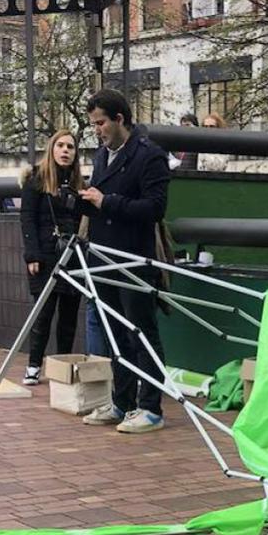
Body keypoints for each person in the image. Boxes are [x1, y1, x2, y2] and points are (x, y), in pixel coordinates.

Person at [79, 89, 171, 434]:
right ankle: (122, 402)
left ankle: (151, 407)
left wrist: (107, 203)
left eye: (101, 122)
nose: (97, 130)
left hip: (134, 258)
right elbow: (101, 200)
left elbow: (154, 209)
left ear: (120, 119)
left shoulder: (149, 156)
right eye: (93, 124)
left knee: (142, 333)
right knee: (115, 332)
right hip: (103, 256)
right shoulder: (103, 156)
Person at [19, 129, 86, 385]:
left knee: (69, 317)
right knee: (43, 313)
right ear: (52, 149)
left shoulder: (79, 184)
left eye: (70, 146)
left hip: (72, 254)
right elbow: (27, 219)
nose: (66, 150)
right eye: (61, 145)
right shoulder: (36, 180)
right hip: (45, 254)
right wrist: (32, 255)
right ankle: (34, 364)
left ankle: (63, 367)